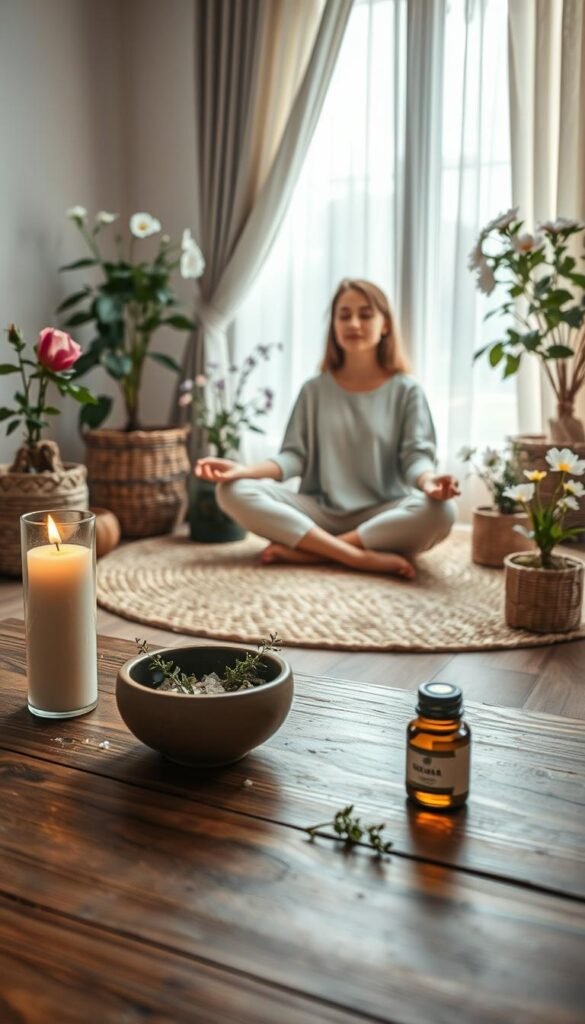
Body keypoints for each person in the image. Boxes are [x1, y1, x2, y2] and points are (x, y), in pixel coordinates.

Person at [195, 278, 459, 579]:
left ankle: (311, 552)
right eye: (344, 315)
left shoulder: (407, 391)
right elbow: (294, 457)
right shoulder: (314, 390)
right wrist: (241, 471)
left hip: (382, 512)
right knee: (231, 491)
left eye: (365, 314)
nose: (354, 323)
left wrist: (430, 483)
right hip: (318, 512)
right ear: (333, 325)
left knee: (442, 511)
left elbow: (416, 459)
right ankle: (354, 556)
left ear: (385, 324)